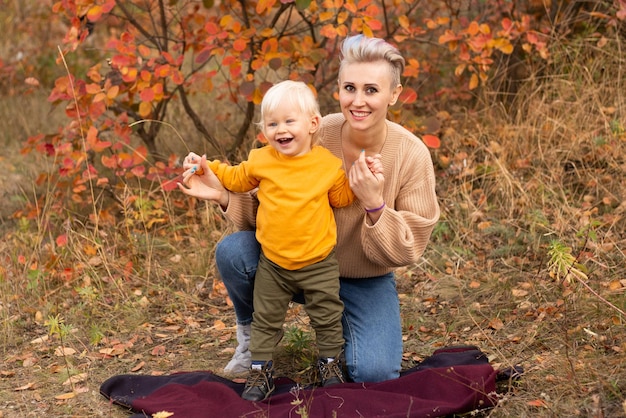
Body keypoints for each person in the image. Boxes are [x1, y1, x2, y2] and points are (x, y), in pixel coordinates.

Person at [181, 34, 440, 385]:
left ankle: (341, 338)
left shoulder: (411, 154)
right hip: (297, 263)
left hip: (364, 279)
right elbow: (274, 206)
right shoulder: (311, 129)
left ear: (394, 94)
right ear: (338, 88)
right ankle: (254, 338)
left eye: (372, 90)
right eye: (350, 87)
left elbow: (409, 248)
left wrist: (374, 204)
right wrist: (224, 195)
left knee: (375, 373)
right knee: (234, 252)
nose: (358, 101)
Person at [179, 80, 383, 401]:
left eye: (289, 121)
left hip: (319, 263)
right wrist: (209, 167)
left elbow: (342, 199)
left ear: (313, 124)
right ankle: (260, 369)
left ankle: (328, 363)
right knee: (265, 318)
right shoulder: (262, 161)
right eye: (272, 124)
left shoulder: (327, 166)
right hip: (273, 263)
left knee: (327, 315)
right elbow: (235, 177)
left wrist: (361, 176)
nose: (280, 130)